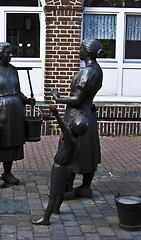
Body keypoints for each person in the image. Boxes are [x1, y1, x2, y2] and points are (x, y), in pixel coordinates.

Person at [0, 42, 35, 188]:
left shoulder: (13, 70)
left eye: (10, 52)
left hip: (15, 111)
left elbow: (17, 91)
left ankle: (7, 172)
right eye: (8, 52)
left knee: (12, 142)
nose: (10, 55)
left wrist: (27, 100)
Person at [52, 39, 103, 200]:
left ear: (87, 52)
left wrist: (58, 99)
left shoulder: (89, 72)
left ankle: (68, 188)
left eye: (80, 48)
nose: (78, 51)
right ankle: (85, 187)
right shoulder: (96, 69)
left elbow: (77, 99)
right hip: (87, 113)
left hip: (79, 115)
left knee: (73, 149)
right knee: (88, 150)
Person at [32, 106, 89, 225]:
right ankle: (56, 208)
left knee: (53, 193)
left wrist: (56, 113)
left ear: (73, 127)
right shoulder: (77, 138)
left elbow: (63, 127)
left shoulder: (70, 138)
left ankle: (46, 217)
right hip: (67, 168)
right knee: (62, 190)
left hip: (60, 167)